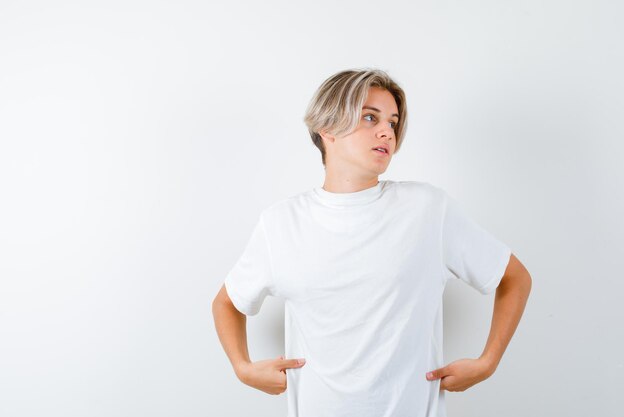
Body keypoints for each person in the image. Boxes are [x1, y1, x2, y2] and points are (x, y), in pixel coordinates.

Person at [212, 68, 532, 417]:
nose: (386, 132)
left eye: (393, 122)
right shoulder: (280, 223)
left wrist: (488, 362)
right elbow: (227, 302)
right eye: (370, 117)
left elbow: (514, 277)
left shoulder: (427, 210)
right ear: (328, 128)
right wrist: (243, 368)